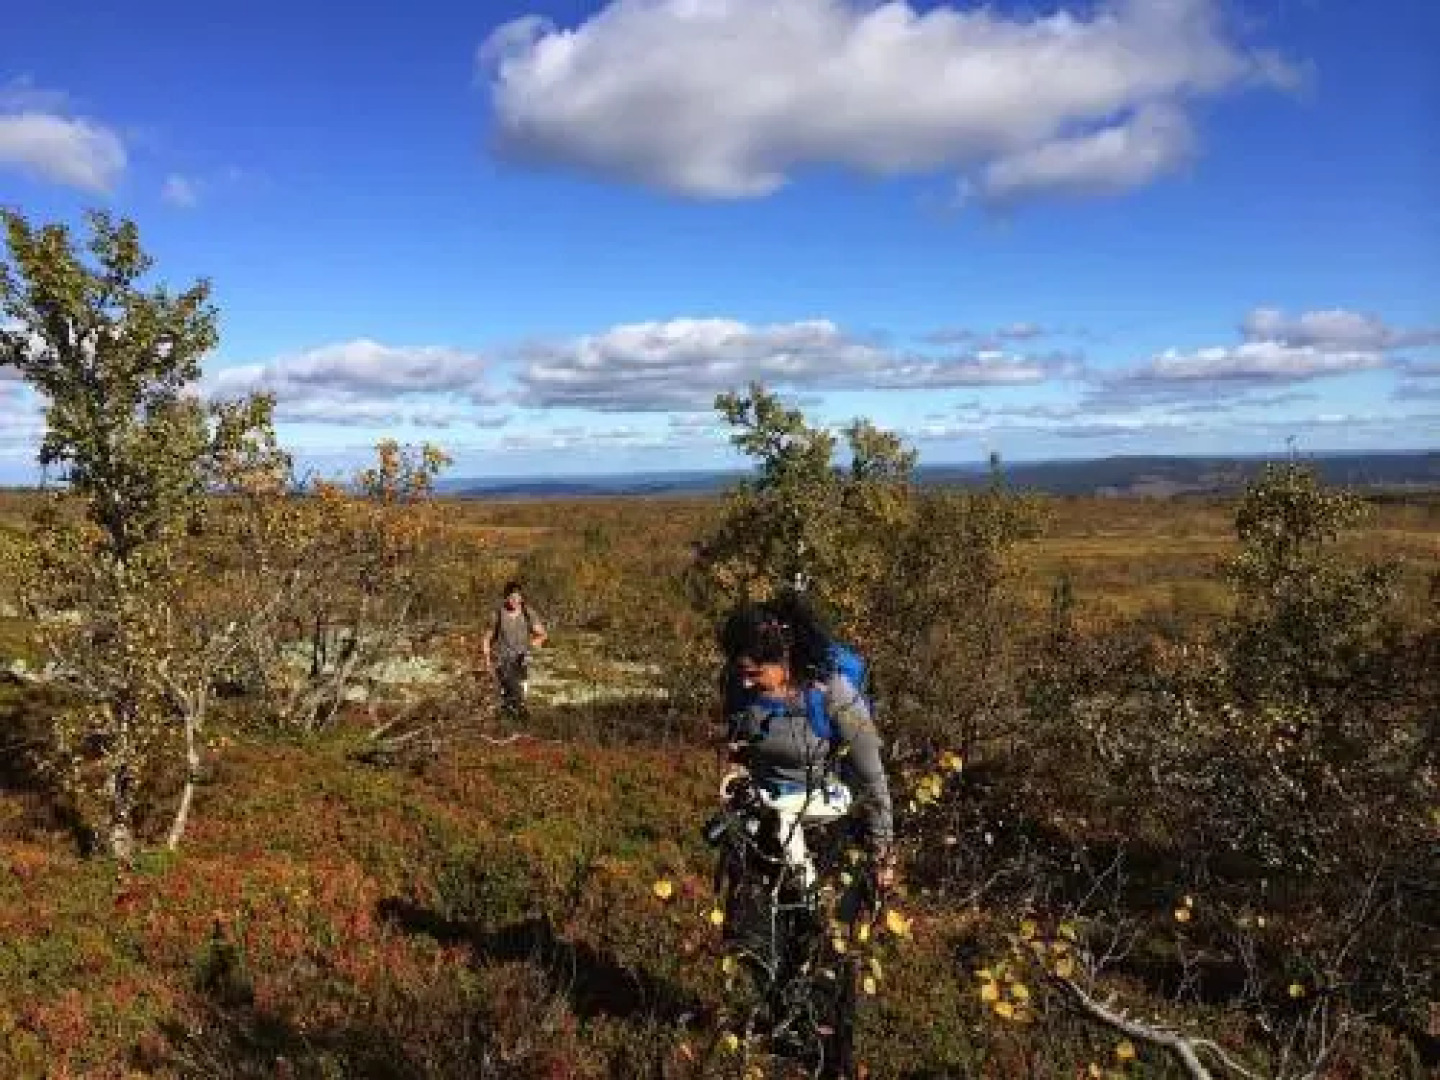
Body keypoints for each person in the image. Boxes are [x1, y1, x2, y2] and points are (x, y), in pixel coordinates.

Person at [717, 592, 896, 894]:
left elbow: (872, 775)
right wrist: (734, 774)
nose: (746, 683)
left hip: (826, 826)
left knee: (816, 923)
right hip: (761, 824)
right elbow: (738, 744)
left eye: (755, 673)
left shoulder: (836, 694)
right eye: (741, 673)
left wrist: (883, 853)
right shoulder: (740, 687)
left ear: (783, 659)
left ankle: (812, 906)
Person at [481, 581, 546, 715]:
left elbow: (542, 634)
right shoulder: (498, 614)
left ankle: (514, 723)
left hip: (522, 660)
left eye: (517, 597)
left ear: (521, 597)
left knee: (518, 695)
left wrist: (534, 644)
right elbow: (487, 638)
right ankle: (517, 718)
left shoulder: (528, 613)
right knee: (512, 694)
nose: (515, 601)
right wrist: (487, 661)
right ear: (506, 597)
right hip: (502, 660)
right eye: (511, 597)